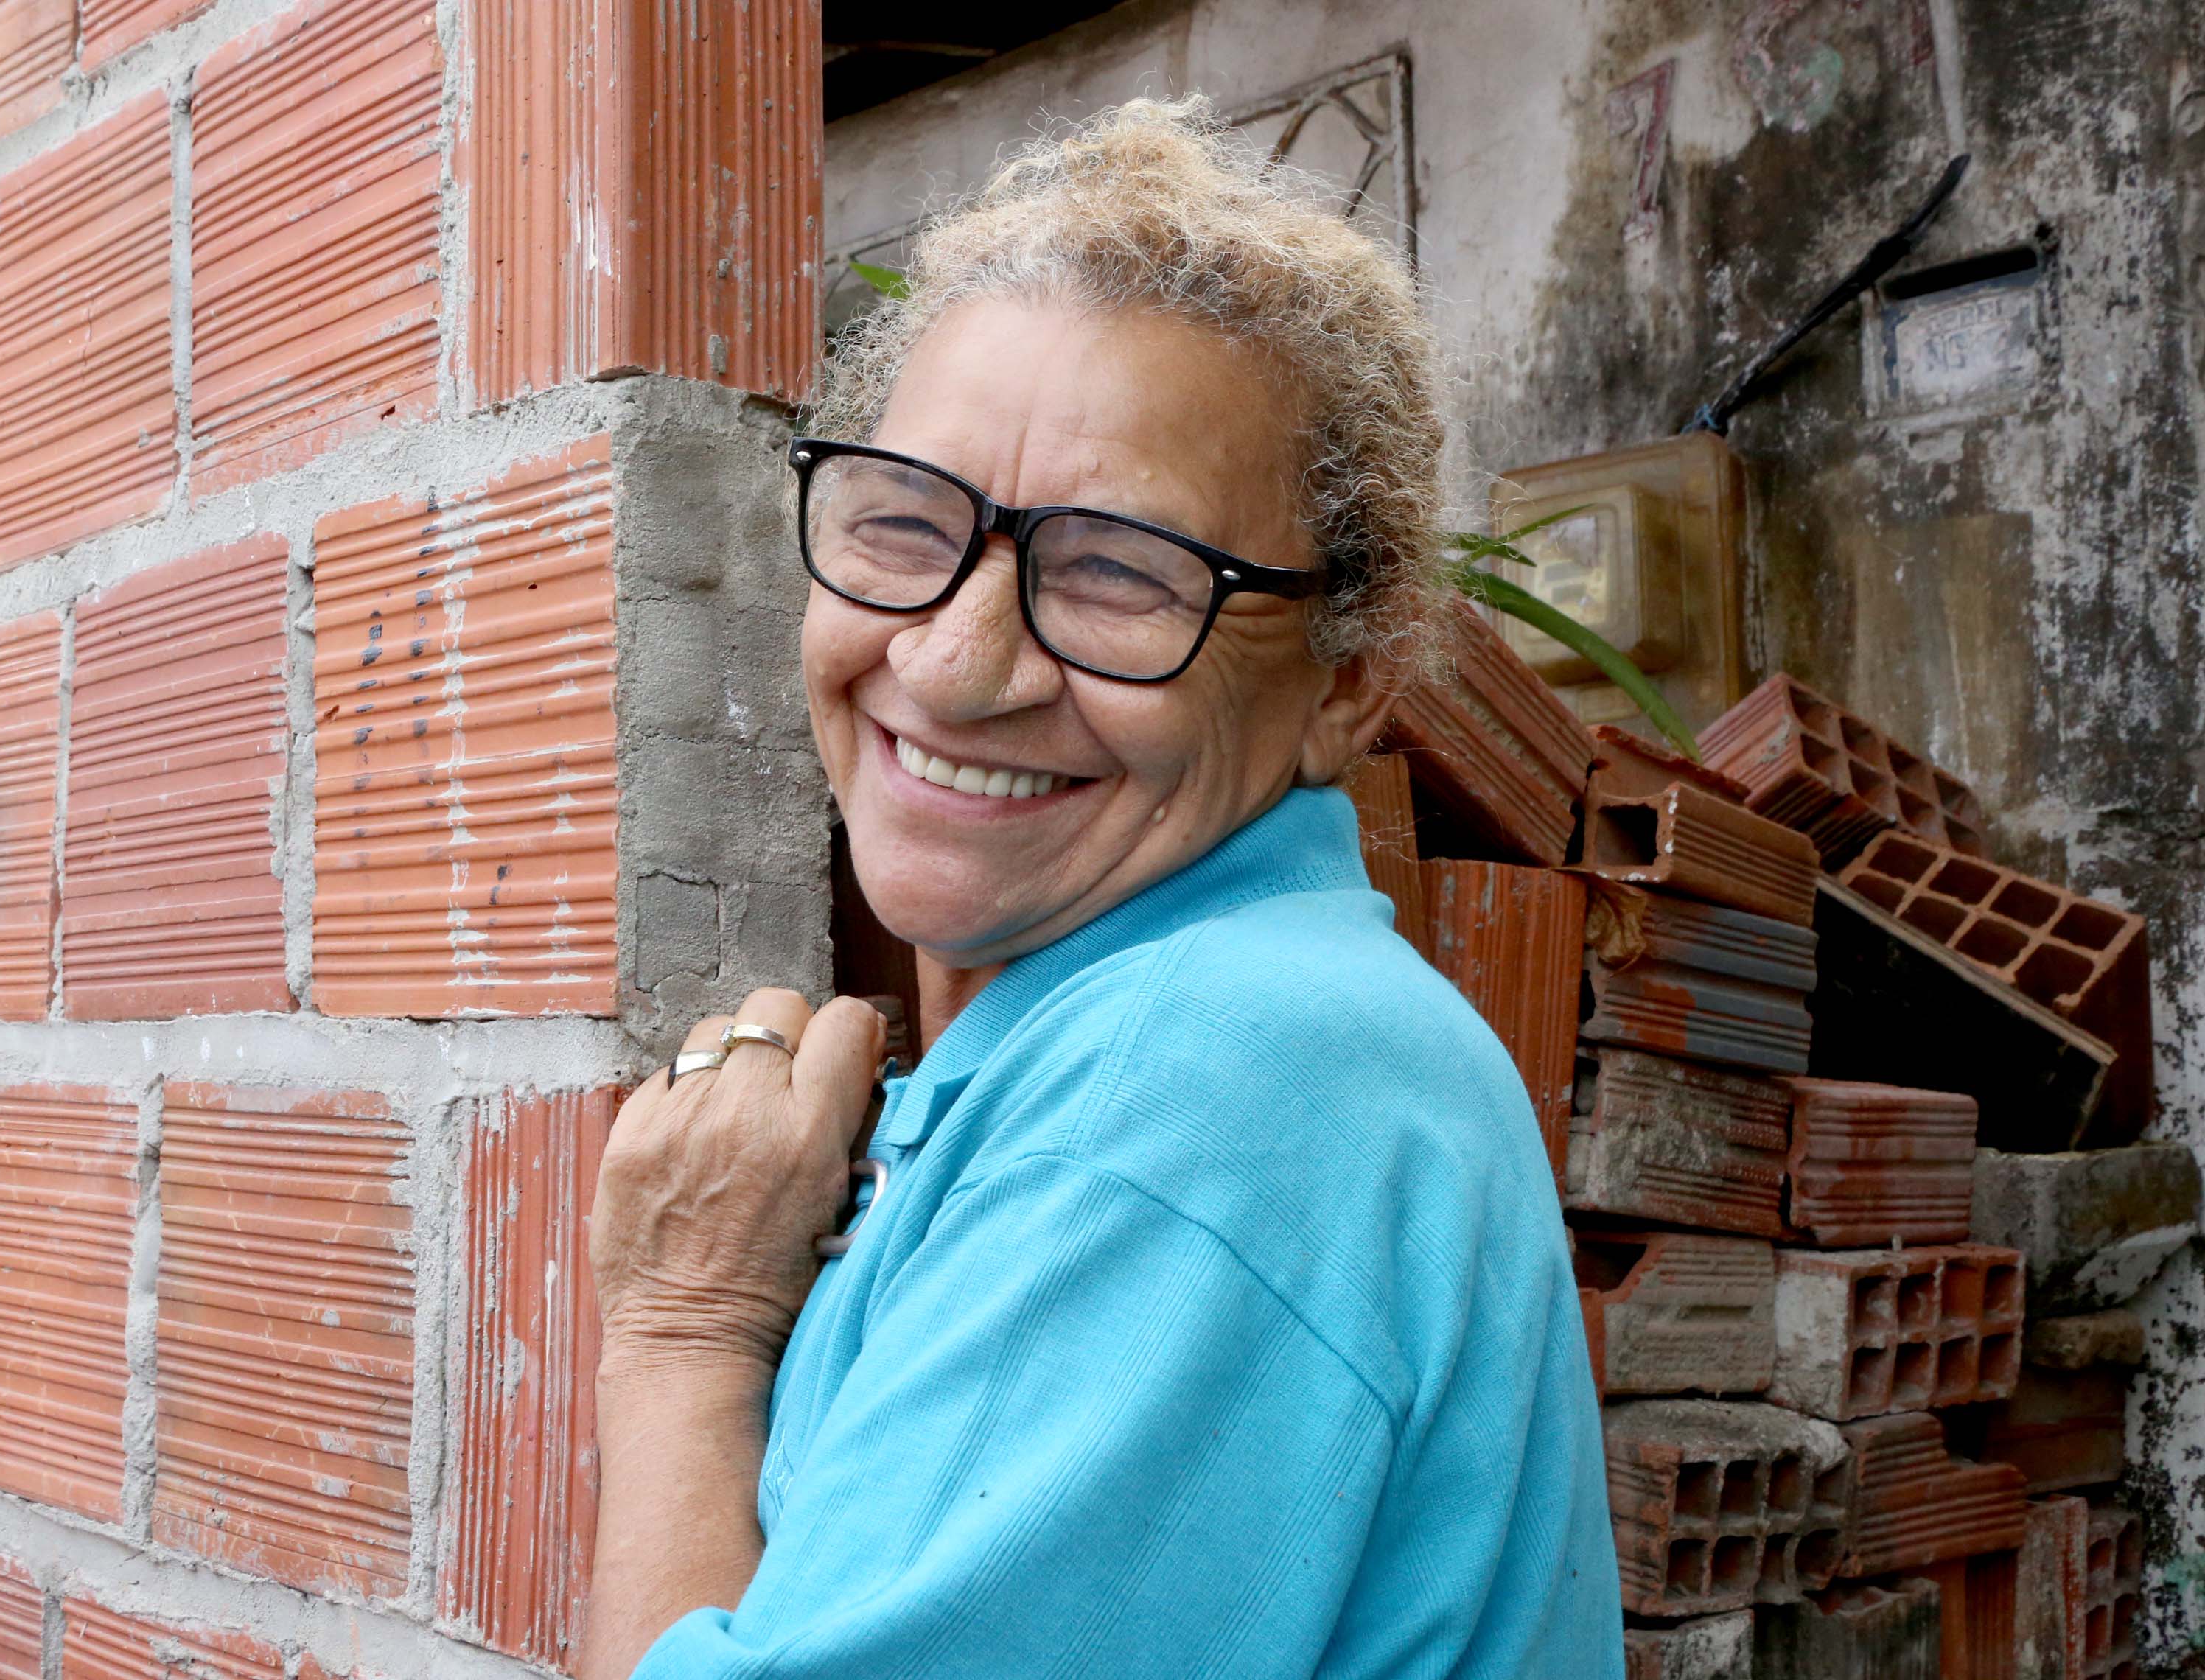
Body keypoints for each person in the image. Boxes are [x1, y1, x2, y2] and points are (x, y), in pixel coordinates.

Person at [578, 96, 1623, 1679]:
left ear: (1352, 682)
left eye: (1121, 572)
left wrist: (685, 1328)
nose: (953, 659)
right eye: (903, 523)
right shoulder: (1148, 1013)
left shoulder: (1209, 1089)